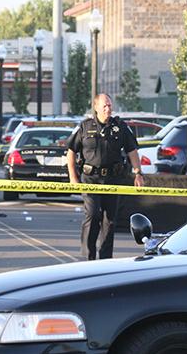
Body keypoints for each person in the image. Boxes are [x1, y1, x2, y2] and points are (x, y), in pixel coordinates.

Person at [66, 94, 145, 260]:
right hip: (90, 179)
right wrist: (73, 178)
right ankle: (88, 257)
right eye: (104, 106)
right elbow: (71, 151)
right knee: (93, 214)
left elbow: (132, 151)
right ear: (96, 107)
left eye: (110, 105)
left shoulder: (120, 127)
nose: (108, 109)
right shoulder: (85, 127)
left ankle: (105, 259)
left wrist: (138, 173)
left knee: (109, 220)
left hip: (112, 179)